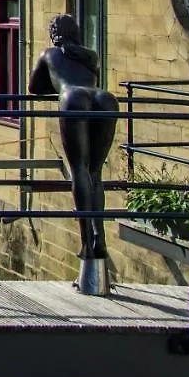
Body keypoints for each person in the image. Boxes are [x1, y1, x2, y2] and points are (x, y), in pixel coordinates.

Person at [28, 14, 119, 263]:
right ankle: (101, 237)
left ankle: (87, 243)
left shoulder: (49, 54)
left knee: (79, 170)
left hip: (72, 98)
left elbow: (34, 87)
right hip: (103, 98)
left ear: (55, 34)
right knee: (95, 173)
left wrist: (57, 87)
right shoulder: (92, 56)